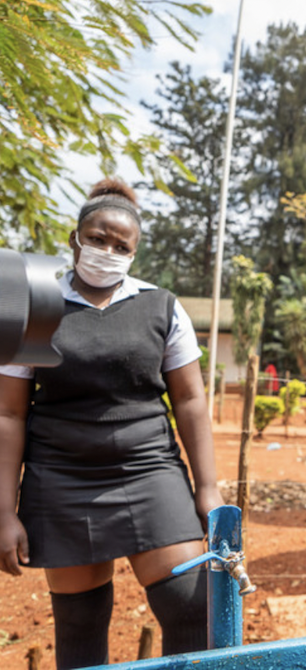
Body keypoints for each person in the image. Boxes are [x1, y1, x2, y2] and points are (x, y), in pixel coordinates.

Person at [0, 179, 224, 669]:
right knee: (81, 629)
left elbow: (188, 399)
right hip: (60, 478)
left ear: (134, 253)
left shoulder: (161, 306)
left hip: (149, 470)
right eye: (98, 239)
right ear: (75, 238)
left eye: (121, 246)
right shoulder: (35, 304)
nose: (107, 251)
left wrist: (207, 488)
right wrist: (3, 509)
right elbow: (10, 413)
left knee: (191, 609)